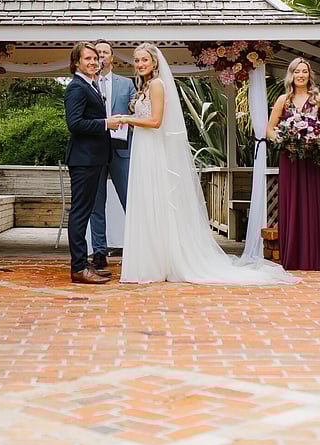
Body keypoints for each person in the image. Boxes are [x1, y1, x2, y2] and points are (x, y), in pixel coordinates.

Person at [115, 43, 297, 285]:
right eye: (137, 60)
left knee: (156, 201)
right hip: (143, 147)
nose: (140, 64)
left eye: (144, 60)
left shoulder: (157, 85)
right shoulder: (145, 86)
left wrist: (126, 119)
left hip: (152, 148)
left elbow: (156, 121)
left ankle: (159, 263)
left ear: (154, 62)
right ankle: (152, 261)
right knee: (148, 202)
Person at [266, 57, 320, 271]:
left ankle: (315, 257)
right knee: (293, 202)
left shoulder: (319, 99)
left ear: (309, 75)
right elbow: (269, 129)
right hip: (290, 159)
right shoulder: (283, 100)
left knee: (314, 203)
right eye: (297, 71)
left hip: (313, 160)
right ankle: (293, 256)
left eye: (304, 71)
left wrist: (317, 140)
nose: (301, 75)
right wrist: (283, 140)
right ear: (291, 74)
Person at [63, 42, 123, 284]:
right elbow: (74, 123)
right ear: (76, 62)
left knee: (85, 211)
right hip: (83, 160)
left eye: (95, 58)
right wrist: (106, 123)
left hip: (94, 159)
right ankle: (78, 268)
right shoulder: (76, 88)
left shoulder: (91, 84)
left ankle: (83, 264)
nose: (93, 62)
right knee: (80, 213)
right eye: (87, 58)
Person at [89, 40, 136, 272]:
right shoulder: (87, 84)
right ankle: (99, 252)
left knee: (131, 200)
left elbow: (138, 113)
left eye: (105, 52)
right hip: (95, 149)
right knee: (96, 203)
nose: (101, 56)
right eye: (97, 52)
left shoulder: (126, 84)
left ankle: (139, 249)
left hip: (121, 148)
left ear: (112, 57)